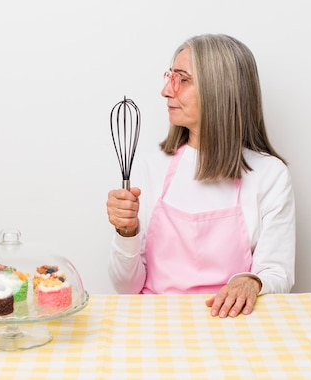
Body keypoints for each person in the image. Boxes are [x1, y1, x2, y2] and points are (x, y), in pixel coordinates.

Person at [106, 34, 295, 318]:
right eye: (170, 76)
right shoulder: (148, 168)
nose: (166, 91)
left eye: (182, 79)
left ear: (219, 90)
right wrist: (126, 233)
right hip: (155, 322)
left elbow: (277, 273)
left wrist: (251, 282)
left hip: (232, 322)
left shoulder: (270, 175)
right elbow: (126, 288)